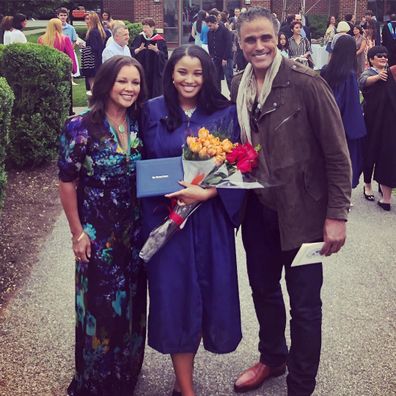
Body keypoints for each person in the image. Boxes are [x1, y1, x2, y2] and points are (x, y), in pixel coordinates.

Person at [230, 7, 351, 395]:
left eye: (266, 37)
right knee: (263, 291)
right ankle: (273, 357)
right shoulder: (238, 86)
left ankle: (300, 384)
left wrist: (337, 215)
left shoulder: (306, 83)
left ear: (278, 37)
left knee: (305, 306)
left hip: (304, 214)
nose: (259, 45)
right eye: (250, 39)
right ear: (240, 43)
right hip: (258, 212)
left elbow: (337, 154)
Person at [141, 45, 242, 396]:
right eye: (183, 72)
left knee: (208, 294)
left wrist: (210, 193)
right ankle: (186, 389)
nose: (189, 80)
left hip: (211, 221)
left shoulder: (224, 113)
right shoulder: (151, 111)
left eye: (197, 73)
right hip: (167, 223)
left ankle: (185, 375)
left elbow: (240, 167)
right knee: (176, 299)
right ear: (171, 73)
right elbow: (137, 163)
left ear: (208, 75)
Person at [58, 56, 147, 395]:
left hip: (135, 232)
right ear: (106, 83)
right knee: (100, 306)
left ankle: (125, 375)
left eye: (135, 82)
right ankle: (95, 380)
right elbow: (67, 182)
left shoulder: (140, 121)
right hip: (97, 234)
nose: (129, 88)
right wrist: (77, 232)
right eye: (123, 81)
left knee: (132, 303)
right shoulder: (80, 126)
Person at [321, 35, 367, 189]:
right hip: (342, 126)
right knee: (343, 162)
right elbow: (351, 105)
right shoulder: (349, 75)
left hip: (325, 122)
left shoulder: (325, 71)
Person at [359, 46, 396, 210]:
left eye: (385, 56)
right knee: (370, 152)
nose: (383, 58)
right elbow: (362, 83)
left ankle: (383, 186)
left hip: (386, 122)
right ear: (371, 59)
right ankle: (367, 185)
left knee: (384, 152)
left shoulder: (390, 74)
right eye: (379, 56)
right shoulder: (370, 73)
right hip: (371, 120)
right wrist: (378, 77)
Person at [131, 18, 168, 99]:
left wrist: (157, 51)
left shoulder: (160, 40)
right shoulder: (139, 38)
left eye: (147, 27)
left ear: (152, 27)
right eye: (143, 27)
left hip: (154, 72)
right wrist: (139, 49)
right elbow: (132, 52)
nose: (144, 29)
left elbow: (165, 57)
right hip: (142, 70)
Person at [81, 11, 109, 92]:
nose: (86, 21)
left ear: (92, 20)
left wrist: (85, 47)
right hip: (101, 59)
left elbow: (94, 48)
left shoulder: (92, 32)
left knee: (92, 84)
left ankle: (93, 102)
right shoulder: (103, 31)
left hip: (92, 61)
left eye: (88, 19)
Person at [207, 14, 233, 90]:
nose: (209, 27)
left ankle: (233, 97)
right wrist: (211, 56)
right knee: (216, 79)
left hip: (226, 59)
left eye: (210, 25)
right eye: (208, 26)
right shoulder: (209, 33)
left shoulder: (225, 31)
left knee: (229, 79)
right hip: (215, 59)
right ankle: (219, 98)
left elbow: (228, 45)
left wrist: (224, 58)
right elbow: (210, 45)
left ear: (215, 23)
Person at [57, 7, 80, 79]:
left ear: (67, 16)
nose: (63, 17)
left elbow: (74, 40)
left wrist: (70, 49)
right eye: (61, 15)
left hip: (69, 50)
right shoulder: (56, 27)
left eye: (64, 15)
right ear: (58, 16)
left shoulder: (71, 28)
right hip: (58, 50)